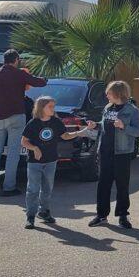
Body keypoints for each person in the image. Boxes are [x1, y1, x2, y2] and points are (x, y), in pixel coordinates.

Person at [20, 95, 94, 229]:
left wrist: (81, 132)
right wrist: (34, 148)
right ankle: (30, 216)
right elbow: (24, 141)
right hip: (34, 162)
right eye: (50, 106)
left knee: (47, 188)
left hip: (51, 160)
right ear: (41, 108)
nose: (53, 109)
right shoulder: (33, 123)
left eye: (53, 106)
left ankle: (44, 212)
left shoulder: (56, 122)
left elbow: (65, 136)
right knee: (33, 189)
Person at [0, 49, 47, 197]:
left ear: (4, 60)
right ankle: (8, 188)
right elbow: (39, 82)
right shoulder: (19, 74)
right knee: (13, 153)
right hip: (16, 117)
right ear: (16, 60)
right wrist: (45, 78)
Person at [87, 80, 139, 229]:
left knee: (122, 185)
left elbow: (138, 131)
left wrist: (124, 126)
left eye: (109, 92)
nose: (106, 95)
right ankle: (101, 215)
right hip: (105, 151)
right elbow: (105, 126)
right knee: (103, 184)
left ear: (118, 93)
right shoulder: (107, 108)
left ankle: (123, 216)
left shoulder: (132, 110)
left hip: (122, 153)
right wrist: (96, 125)